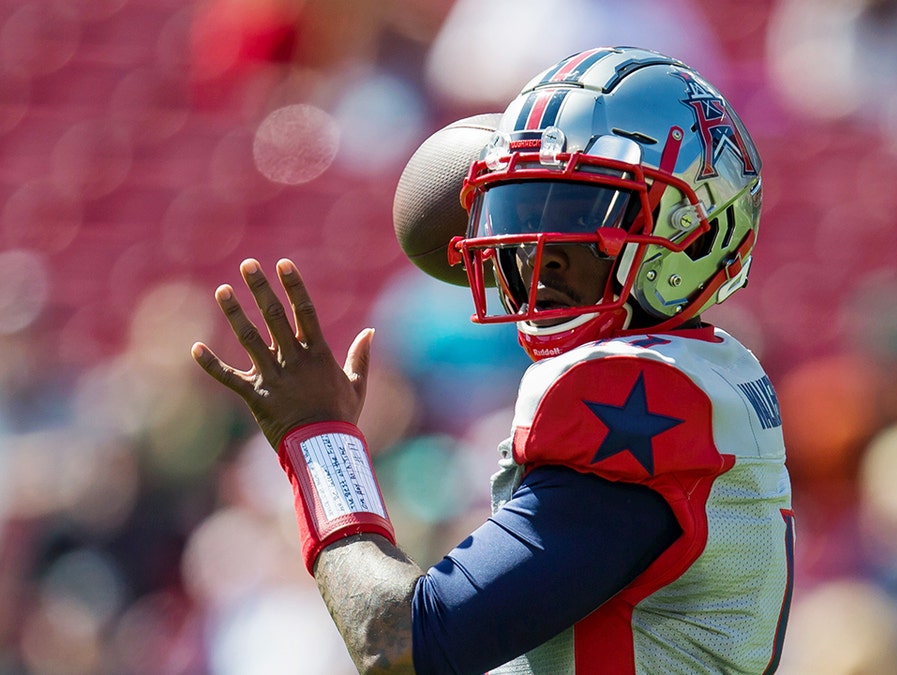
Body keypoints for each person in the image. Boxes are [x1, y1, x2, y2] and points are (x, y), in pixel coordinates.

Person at [191, 46, 794, 674]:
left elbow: (397, 641)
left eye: (582, 213)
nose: (542, 252)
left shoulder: (642, 389)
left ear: (693, 228)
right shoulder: (712, 374)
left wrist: (318, 441)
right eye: (527, 212)